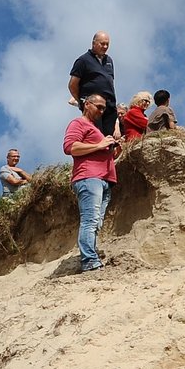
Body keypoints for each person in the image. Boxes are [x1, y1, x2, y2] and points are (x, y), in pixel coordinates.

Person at [63, 94, 123, 273]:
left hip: (104, 180)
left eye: (104, 108)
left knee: (96, 222)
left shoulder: (94, 129)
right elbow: (70, 147)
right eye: (99, 106)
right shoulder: (78, 123)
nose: (101, 111)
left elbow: (105, 155)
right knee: (90, 221)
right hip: (89, 178)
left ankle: (91, 256)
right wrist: (100, 144)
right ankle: (89, 261)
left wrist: (114, 149)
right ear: (86, 104)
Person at [68, 32, 118, 136]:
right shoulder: (83, 60)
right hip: (94, 105)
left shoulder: (109, 60)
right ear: (93, 43)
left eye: (107, 44)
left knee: (109, 138)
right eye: (102, 43)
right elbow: (72, 84)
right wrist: (81, 101)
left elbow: (110, 81)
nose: (105, 47)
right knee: (96, 134)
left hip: (109, 106)